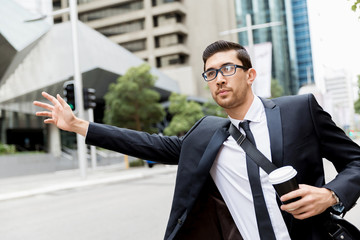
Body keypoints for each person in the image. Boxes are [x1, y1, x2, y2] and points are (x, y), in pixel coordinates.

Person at [33, 40, 360, 240]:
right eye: (211, 72)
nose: (218, 78)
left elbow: (356, 161)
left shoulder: (299, 110)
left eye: (227, 68)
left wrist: (331, 195)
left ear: (250, 74)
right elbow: (151, 144)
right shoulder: (208, 134)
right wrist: (78, 125)